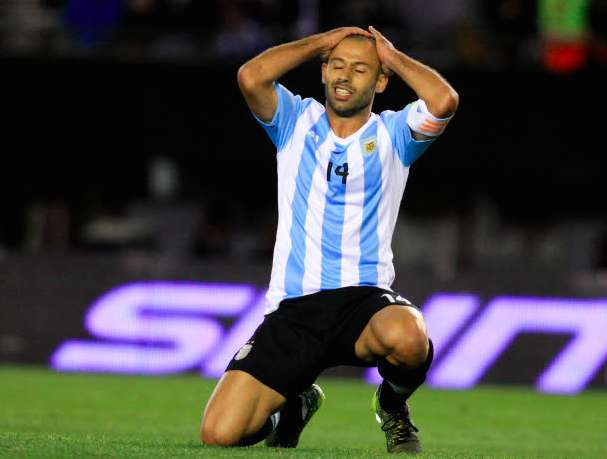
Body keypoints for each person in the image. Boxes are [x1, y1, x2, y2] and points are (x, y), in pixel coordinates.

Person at [200, 26, 458, 454]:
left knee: (410, 335)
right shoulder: (294, 121)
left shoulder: (395, 135)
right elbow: (251, 76)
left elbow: (444, 100)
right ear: (323, 71)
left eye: (360, 69)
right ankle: (294, 406)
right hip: (295, 309)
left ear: (380, 81)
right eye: (336, 65)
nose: (344, 76)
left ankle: (392, 404)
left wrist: (392, 56)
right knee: (220, 435)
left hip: (363, 302)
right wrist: (321, 42)